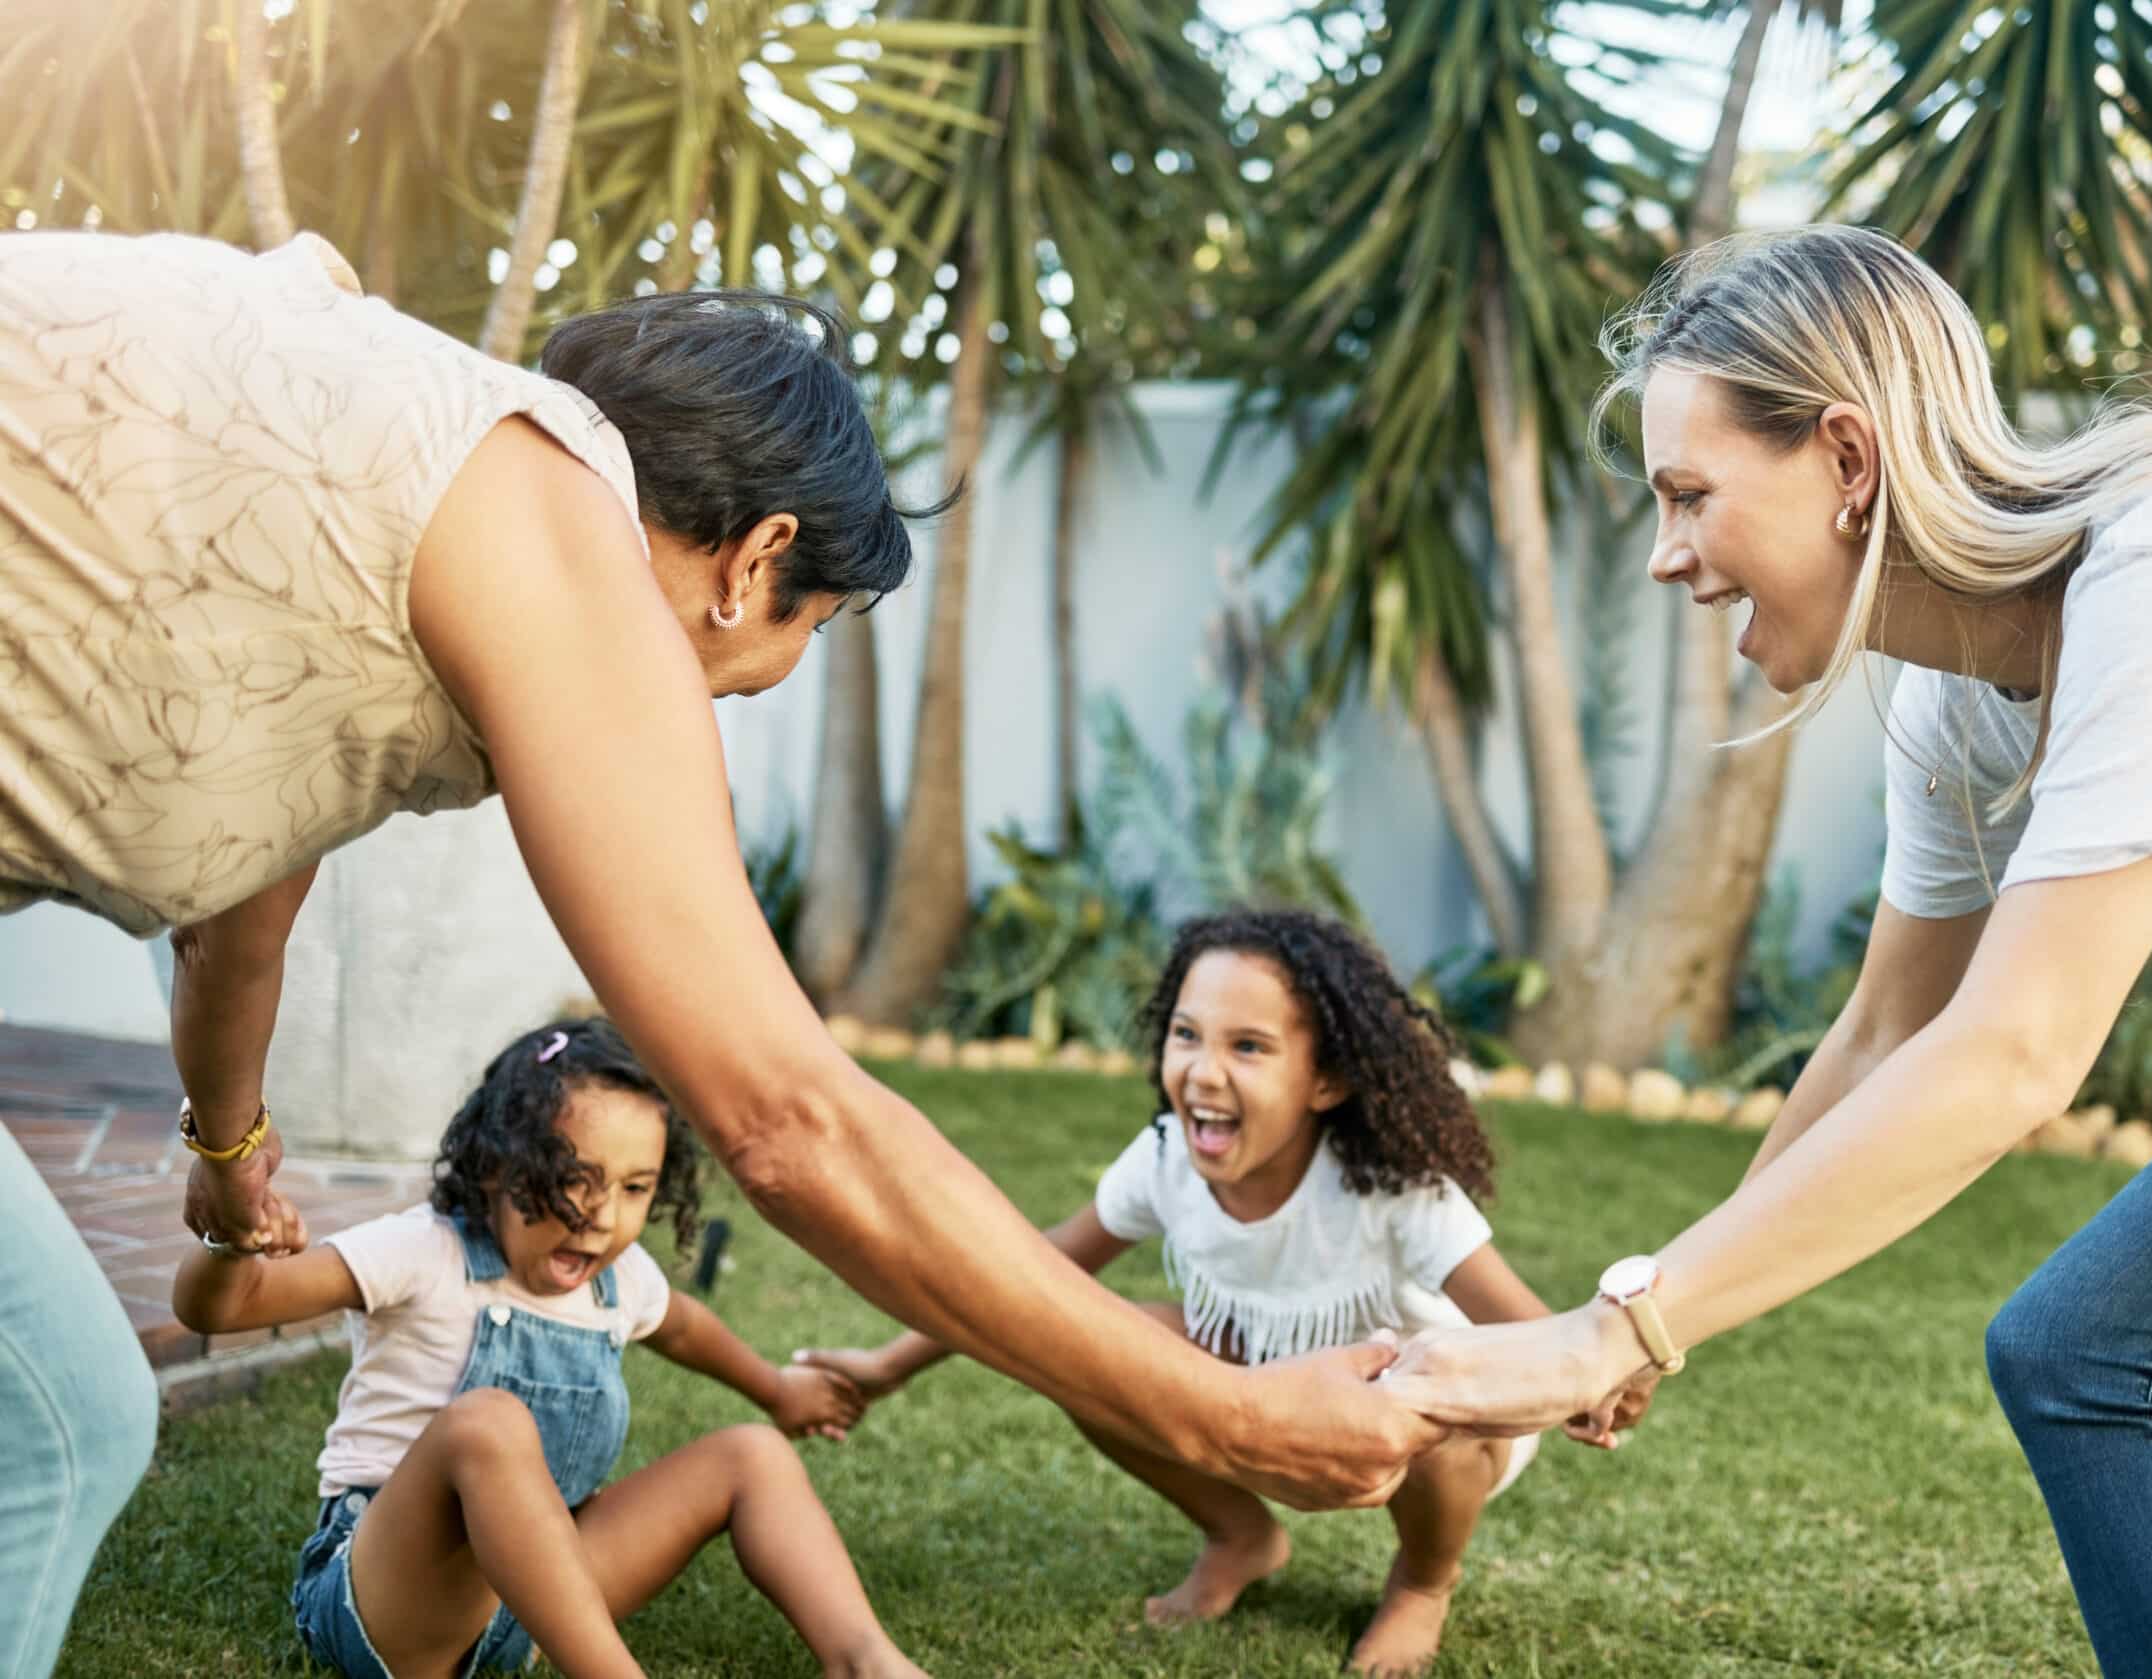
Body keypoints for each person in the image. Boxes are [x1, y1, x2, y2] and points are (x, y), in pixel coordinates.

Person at [0, 229, 1433, 1676]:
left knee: (55, 1412)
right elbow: (788, 1117)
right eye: (805, 628)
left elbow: (244, 898)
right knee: (46, 1430)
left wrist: (226, 1135)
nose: (747, 690)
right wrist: (1230, 1416)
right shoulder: (556, 542)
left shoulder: (400, 451)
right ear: (756, 563)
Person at [1377, 224, 2152, 1679]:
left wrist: (1619, 1332)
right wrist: (1648, 1308)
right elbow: (1887, 1037)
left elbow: (2012, 1052)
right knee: (2076, 1350)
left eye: (1688, 494)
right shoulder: (1960, 701)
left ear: (1848, 459)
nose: (1665, 552)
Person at [802, 911, 1589, 1678]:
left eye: (1248, 1046)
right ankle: (1240, 1536)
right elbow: (1025, 1282)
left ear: (1328, 1079)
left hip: (1420, 1423)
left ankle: (1422, 1581)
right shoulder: (1166, 1158)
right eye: (1187, 1034)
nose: (1204, 1071)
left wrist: (1601, 1377)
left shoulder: (1397, 1192)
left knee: (1442, 1422)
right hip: (1256, 1371)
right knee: (1090, 1350)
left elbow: (1536, 1334)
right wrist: (887, 1365)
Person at [172, 1018, 923, 1679]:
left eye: (636, 1188)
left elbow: (686, 1327)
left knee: (751, 1455)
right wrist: (231, 1241)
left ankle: (866, 1659)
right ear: (498, 1165)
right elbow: (227, 1306)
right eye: (577, 1179)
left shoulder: (617, 1280)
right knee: (488, 1423)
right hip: (391, 1602)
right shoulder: (425, 1250)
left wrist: (778, 1392)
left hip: (529, 1608)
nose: (602, 1217)